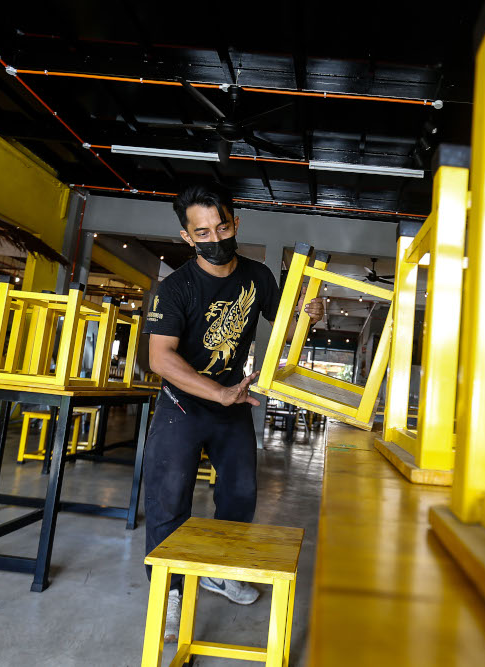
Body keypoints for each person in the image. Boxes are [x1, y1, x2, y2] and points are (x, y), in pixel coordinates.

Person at [143, 182, 324, 642]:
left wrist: (308, 311)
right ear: (188, 238)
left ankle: (220, 571)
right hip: (181, 405)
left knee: (241, 494)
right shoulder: (175, 288)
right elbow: (160, 359)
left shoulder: (258, 276)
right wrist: (215, 393)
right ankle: (171, 592)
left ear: (235, 223)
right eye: (202, 233)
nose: (215, 238)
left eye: (221, 226)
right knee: (169, 500)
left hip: (232, 404)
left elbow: (285, 319)